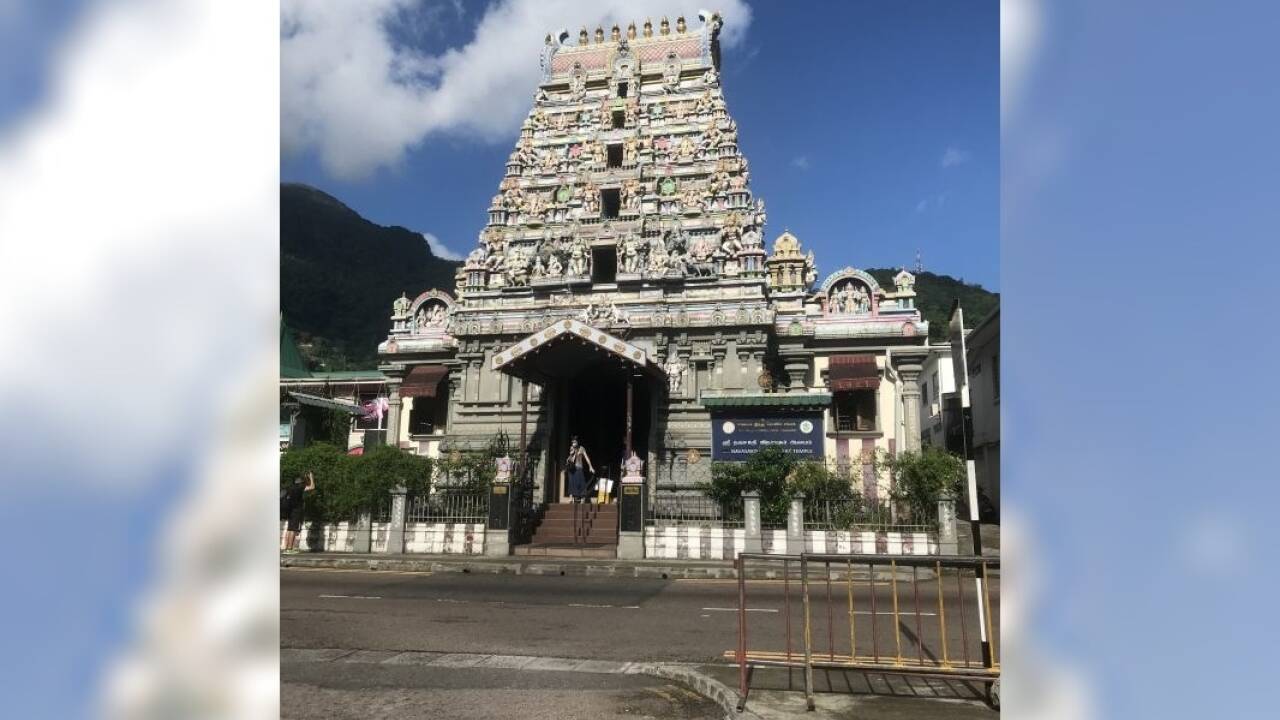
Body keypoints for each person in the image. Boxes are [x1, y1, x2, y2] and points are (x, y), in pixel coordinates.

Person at [281, 471, 316, 554]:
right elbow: (312, 487)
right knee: (293, 529)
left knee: (289, 529)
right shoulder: (300, 487)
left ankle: (287, 548)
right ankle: (289, 549)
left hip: (289, 510)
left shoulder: (290, 487)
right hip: (296, 510)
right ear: (300, 482)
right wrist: (311, 477)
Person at [565, 436, 595, 502]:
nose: (573, 443)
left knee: (580, 483)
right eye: (572, 442)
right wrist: (571, 454)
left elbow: (586, 458)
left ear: (577, 442)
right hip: (572, 468)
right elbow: (569, 459)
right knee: (571, 482)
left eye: (575, 442)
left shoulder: (581, 448)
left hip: (579, 467)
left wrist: (590, 467)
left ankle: (582, 497)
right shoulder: (571, 448)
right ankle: (571, 497)